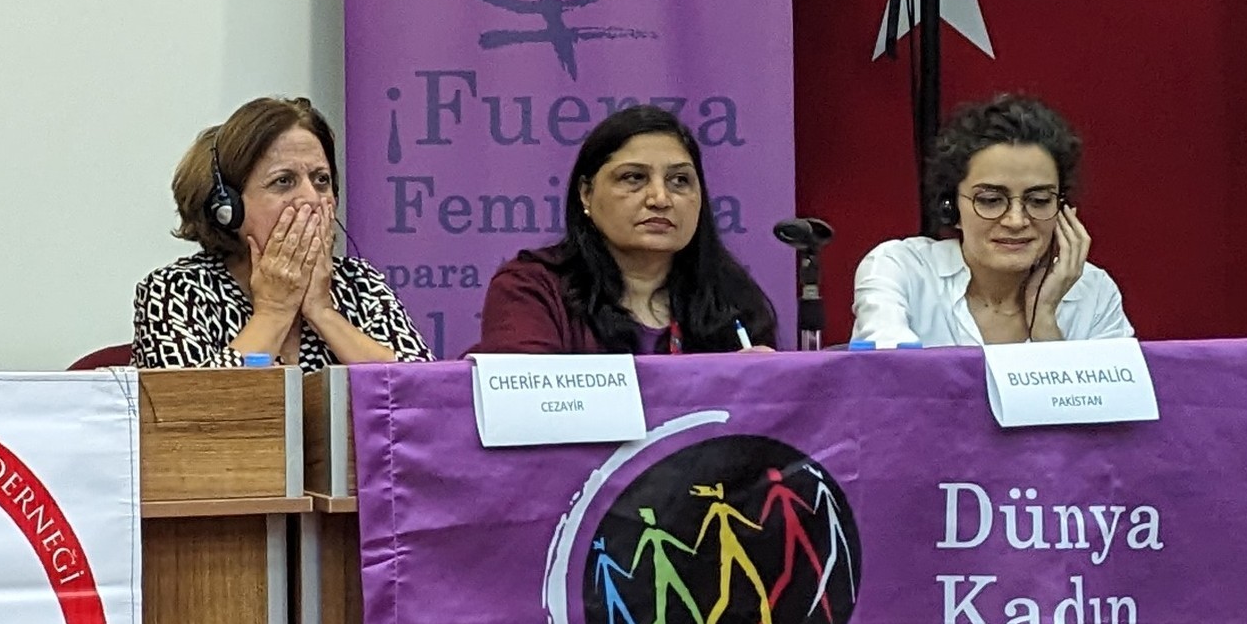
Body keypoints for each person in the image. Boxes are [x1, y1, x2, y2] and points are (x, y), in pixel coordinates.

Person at [132, 96, 426, 368]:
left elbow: (423, 394)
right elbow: (194, 405)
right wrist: (273, 311)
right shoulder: (176, 290)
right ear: (227, 208)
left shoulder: (359, 282)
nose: (312, 198)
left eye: (321, 180)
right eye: (284, 181)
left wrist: (324, 313)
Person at [475, 106, 778, 355]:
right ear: (586, 194)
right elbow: (528, 403)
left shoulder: (731, 300)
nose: (660, 199)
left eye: (680, 181)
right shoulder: (533, 288)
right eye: (634, 178)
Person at [848, 93, 1132, 348]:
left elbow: (1115, 393)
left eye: (1038, 200)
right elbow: (890, 376)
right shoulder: (900, 269)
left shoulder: (1094, 292)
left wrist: (1046, 323)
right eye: (991, 200)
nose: (1016, 221)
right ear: (950, 207)